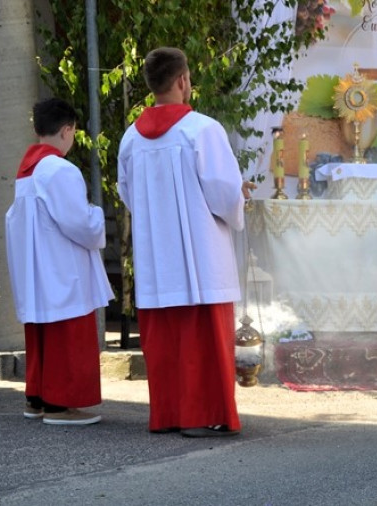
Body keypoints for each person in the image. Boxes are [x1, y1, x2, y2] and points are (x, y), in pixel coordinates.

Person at [118, 47, 253, 437]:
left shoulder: (130, 139)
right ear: (182, 81)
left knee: (165, 342)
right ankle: (203, 416)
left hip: (157, 260)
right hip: (200, 256)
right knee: (203, 341)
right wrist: (239, 198)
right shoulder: (203, 130)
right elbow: (223, 194)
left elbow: (129, 195)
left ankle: (168, 415)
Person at [5, 97, 114, 425]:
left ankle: (37, 399)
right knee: (68, 334)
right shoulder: (58, 168)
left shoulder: (26, 170)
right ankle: (60, 405)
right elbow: (79, 223)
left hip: (37, 271)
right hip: (61, 269)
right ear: (67, 130)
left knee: (42, 334)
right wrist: (95, 213)